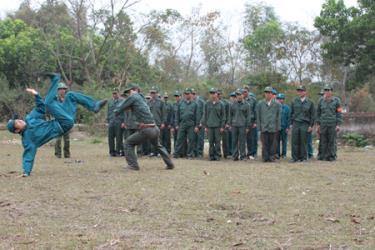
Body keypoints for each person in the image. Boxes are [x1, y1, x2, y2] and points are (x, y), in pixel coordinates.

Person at [6, 73, 107, 177]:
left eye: (18, 120)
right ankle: (56, 78)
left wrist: (36, 95)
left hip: (65, 118)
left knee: (70, 95)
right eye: (17, 123)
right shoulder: (28, 140)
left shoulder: (29, 119)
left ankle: (94, 106)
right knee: (49, 103)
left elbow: (41, 108)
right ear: (17, 130)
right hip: (62, 125)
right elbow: (28, 155)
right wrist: (26, 172)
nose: (20, 121)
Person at [114, 84, 174, 170]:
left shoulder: (134, 96)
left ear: (135, 90)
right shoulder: (142, 98)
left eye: (129, 92)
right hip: (154, 128)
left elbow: (117, 110)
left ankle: (133, 165)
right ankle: (170, 164)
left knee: (128, 143)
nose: (128, 94)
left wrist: (117, 109)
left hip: (147, 129)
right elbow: (136, 108)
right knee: (158, 145)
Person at [316, 83, 343, 161]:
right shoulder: (320, 100)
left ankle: (331, 156)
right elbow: (318, 113)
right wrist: (318, 124)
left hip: (332, 124)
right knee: (323, 140)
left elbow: (339, 112)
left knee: (332, 141)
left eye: (328, 90)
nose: (327, 92)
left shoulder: (337, 100)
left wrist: (338, 124)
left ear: (332, 91)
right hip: (323, 123)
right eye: (325, 90)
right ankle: (322, 156)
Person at [290, 85, 315, 162]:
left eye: (302, 91)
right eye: (299, 91)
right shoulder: (294, 101)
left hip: (305, 123)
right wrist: (290, 124)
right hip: (296, 123)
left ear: (305, 92)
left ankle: (303, 157)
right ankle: (295, 158)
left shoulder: (310, 102)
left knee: (303, 141)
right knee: (294, 141)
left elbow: (313, 115)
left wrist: (311, 125)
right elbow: (291, 113)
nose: (300, 92)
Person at [200, 88, 226, 161]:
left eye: (214, 93)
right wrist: (205, 126)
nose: (212, 95)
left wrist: (222, 126)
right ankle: (211, 156)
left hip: (218, 126)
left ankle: (217, 155)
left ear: (217, 94)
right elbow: (205, 115)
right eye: (211, 93)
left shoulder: (221, 104)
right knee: (211, 142)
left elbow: (223, 116)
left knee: (217, 142)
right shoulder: (207, 103)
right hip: (210, 126)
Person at [256, 87, 281, 162]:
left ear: (272, 94)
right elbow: (258, 116)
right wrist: (259, 127)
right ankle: (265, 157)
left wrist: (278, 127)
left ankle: (271, 157)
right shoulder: (260, 104)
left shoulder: (277, 104)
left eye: (269, 93)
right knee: (264, 143)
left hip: (273, 127)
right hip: (264, 126)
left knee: (273, 143)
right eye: (266, 92)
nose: (267, 94)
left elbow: (278, 116)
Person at [173, 88, 199, 159]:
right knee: (179, 139)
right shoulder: (181, 104)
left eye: (188, 94)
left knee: (191, 140)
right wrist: (177, 124)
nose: (187, 95)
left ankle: (190, 155)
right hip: (182, 124)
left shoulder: (195, 104)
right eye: (185, 94)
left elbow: (197, 116)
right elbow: (177, 115)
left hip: (191, 124)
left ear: (191, 94)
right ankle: (176, 154)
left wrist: (197, 126)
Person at [229, 89, 251, 161]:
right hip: (234, 125)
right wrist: (230, 124)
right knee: (234, 141)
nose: (239, 96)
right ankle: (235, 155)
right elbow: (230, 115)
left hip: (242, 125)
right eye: (237, 95)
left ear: (243, 95)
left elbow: (248, 116)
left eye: (240, 94)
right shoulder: (232, 105)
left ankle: (243, 155)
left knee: (242, 141)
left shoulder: (247, 105)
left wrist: (247, 126)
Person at [147, 86, 166, 157]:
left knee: (159, 138)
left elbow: (164, 113)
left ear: (157, 93)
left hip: (158, 122)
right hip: (150, 123)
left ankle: (159, 152)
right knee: (151, 137)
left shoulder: (161, 102)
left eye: (154, 93)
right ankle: (152, 152)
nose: (152, 94)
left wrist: (163, 122)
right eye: (151, 93)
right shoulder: (148, 102)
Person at [54, 82, 71, 158]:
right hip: (58, 121)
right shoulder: (55, 99)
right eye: (60, 89)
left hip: (66, 122)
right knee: (58, 139)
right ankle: (58, 154)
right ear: (58, 90)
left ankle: (67, 154)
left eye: (64, 89)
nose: (62, 90)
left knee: (67, 139)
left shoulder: (68, 99)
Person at [107, 88, 124, 157]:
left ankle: (118, 151)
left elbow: (124, 112)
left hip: (119, 122)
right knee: (110, 137)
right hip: (111, 122)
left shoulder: (122, 101)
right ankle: (112, 151)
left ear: (119, 93)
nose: (114, 95)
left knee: (119, 138)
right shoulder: (110, 102)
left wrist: (124, 121)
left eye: (116, 93)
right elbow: (108, 112)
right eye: (113, 93)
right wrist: (108, 121)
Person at [276, 93, 290, 159]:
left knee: (284, 141)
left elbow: (288, 118)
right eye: (278, 99)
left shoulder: (287, 108)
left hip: (284, 127)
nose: (280, 100)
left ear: (283, 100)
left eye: (281, 99)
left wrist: (288, 127)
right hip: (277, 127)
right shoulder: (274, 107)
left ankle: (284, 154)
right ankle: (277, 154)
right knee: (277, 141)